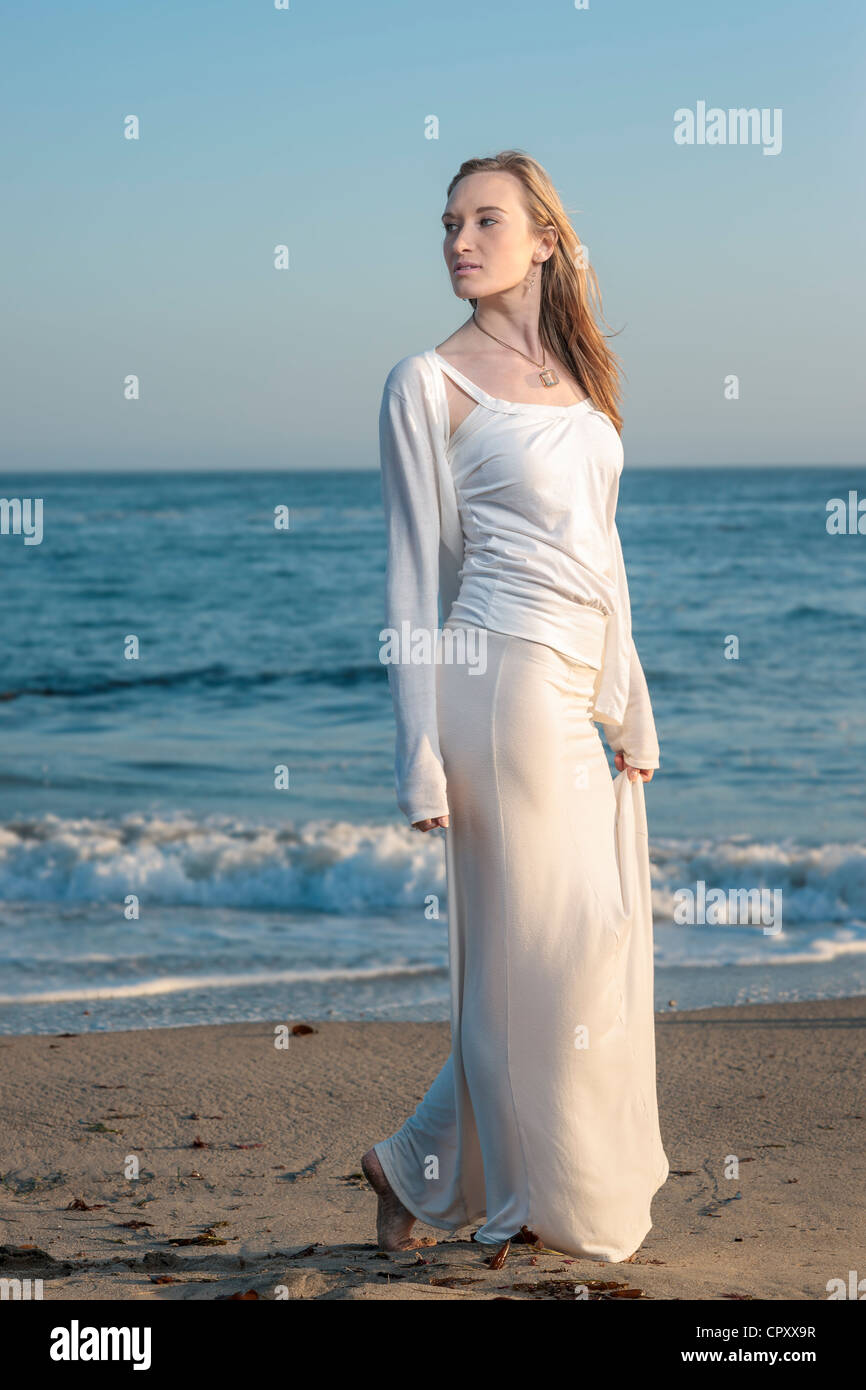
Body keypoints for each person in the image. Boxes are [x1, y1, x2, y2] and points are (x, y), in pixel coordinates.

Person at [362, 149, 669, 1263]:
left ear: (543, 237)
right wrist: (416, 759)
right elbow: (412, 578)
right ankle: (528, 1195)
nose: (457, 240)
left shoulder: (580, 379)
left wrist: (628, 698)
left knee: (575, 944)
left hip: (567, 687)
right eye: (447, 223)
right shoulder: (425, 382)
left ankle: (410, 1164)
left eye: (484, 220)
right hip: (488, 688)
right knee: (545, 950)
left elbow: (602, 551)